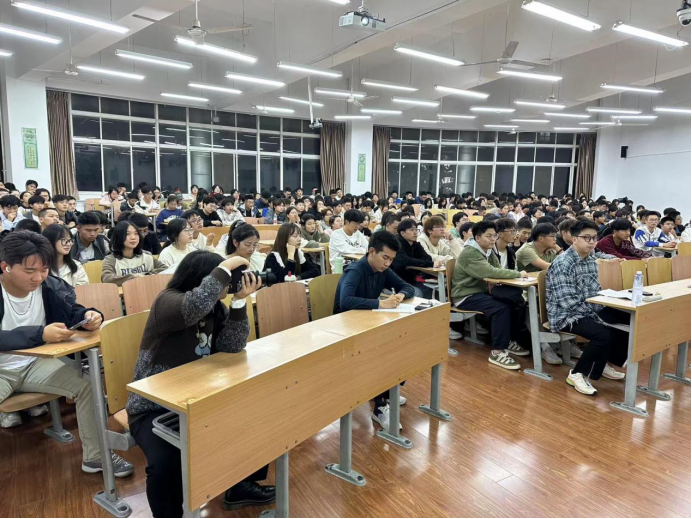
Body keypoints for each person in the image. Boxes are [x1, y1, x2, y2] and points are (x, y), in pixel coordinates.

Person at [126, 251, 272, 517]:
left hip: (198, 399)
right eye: (226, 279)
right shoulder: (167, 302)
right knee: (165, 462)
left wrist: (239, 301)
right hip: (152, 407)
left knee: (254, 419)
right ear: (203, 278)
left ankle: (240, 486)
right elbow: (194, 306)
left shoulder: (215, 307)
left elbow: (231, 346)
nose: (229, 284)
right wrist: (225, 267)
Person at [0, 232, 134, 474]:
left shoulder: (48, 286)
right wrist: (40, 334)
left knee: (88, 385)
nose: (38, 277)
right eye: (29, 271)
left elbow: (71, 311)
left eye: (44, 269)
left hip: (34, 364)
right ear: (5, 267)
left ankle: (95, 456)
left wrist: (88, 316)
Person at [334, 231, 415, 430]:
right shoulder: (356, 270)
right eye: (385, 257)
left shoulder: (382, 270)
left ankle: (386, 390)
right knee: (384, 354)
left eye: (391, 259)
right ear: (371, 252)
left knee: (403, 346)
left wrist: (400, 296)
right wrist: (381, 303)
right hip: (345, 329)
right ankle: (380, 406)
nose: (388, 263)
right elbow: (345, 301)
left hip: (367, 325)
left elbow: (407, 287)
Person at [546, 220, 627, 396]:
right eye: (586, 238)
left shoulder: (590, 259)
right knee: (602, 333)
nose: (591, 242)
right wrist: (598, 317)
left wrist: (606, 304)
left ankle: (601, 362)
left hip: (588, 309)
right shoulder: (563, 263)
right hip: (566, 315)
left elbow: (595, 290)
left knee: (626, 317)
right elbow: (568, 302)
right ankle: (577, 373)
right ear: (574, 239)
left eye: (594, 238)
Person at [451, 221, 530, 370]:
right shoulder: (470, 253)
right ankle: (497, 352)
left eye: (494, 235)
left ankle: (508, 341)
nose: (493, 239)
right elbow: (490, 272)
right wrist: (518, 274)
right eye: (488, 236)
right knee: (500, 308)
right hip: (465, 295)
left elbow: (497, 269)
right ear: (477, 237)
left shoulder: (488, 250)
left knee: (514, 301)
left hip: (480, 293)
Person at [102, 221, 166, 286]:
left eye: (136, 233)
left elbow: (165, 269)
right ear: (118, 237)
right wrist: (133, 277)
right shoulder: (111, 259)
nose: (133, 237)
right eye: (127, 234)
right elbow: (106, 278)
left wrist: (147, 275)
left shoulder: (146, 255)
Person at [390, 219, 435, 296]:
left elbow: (428, 258)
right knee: (419, 292)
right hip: (395, 281)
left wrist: (414, 262)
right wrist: (430, 264)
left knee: (431, 289)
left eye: (416, 229)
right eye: (411, 230)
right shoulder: (396, 244)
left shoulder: (415, 244)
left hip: (411, 279)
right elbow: (404, 261)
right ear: (403, 233)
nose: (415, 232)